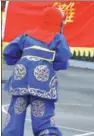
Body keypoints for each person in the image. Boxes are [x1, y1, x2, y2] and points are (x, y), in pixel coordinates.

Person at [2, 7, 71, 136]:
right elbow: (63, 58)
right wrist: (53, 65)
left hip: (21, 76)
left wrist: (21, 60)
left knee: (16, 112)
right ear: (59, 22)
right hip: (41, 79)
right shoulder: (58, 38)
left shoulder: (26, 35)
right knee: (42, 113)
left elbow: (9, 52)